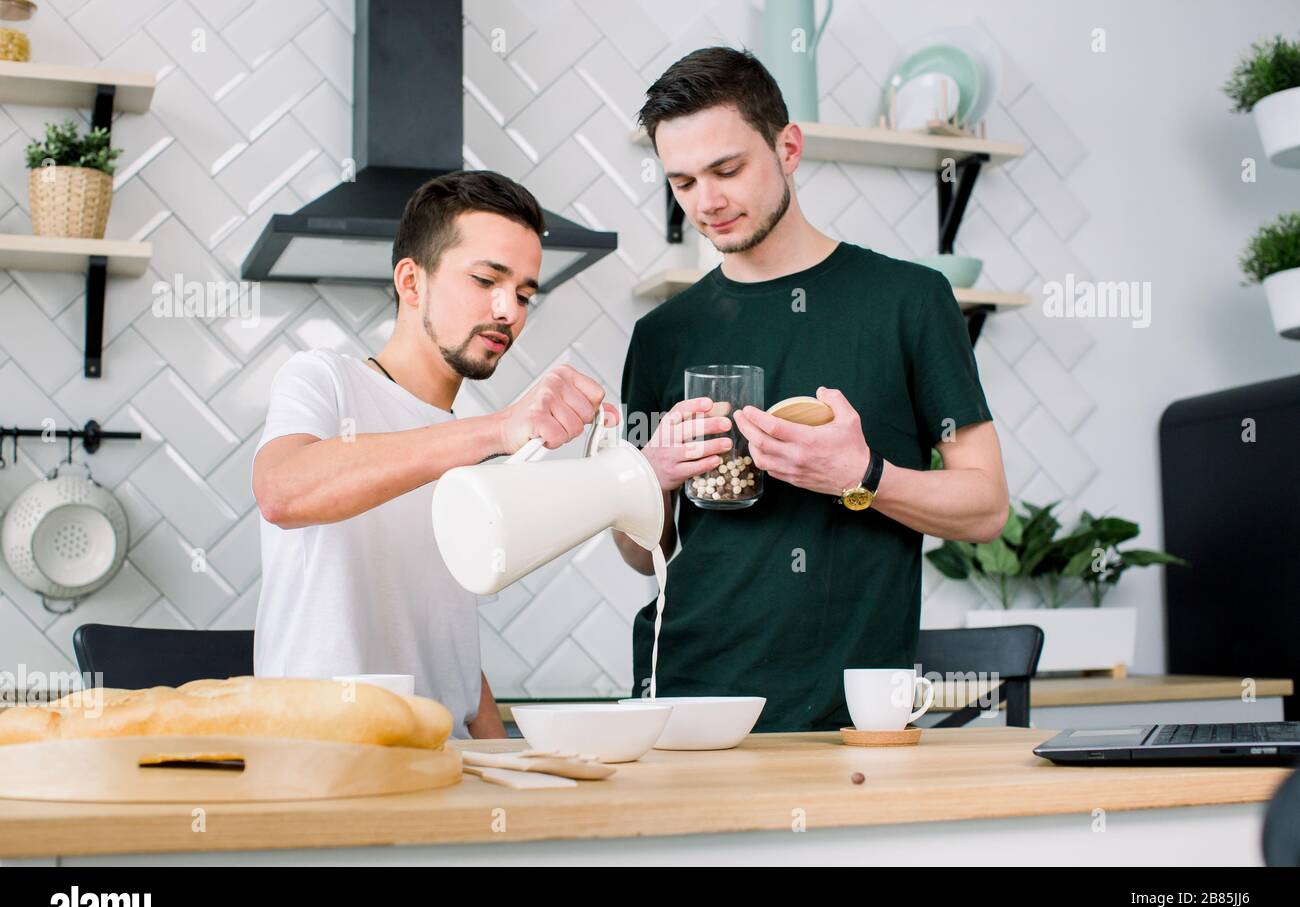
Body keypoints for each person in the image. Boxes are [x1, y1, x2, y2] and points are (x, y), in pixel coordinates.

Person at [615, 48, 1010, 732]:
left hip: (848, 709)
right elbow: (641, 554)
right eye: (682, 182)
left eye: (727, 170)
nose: (707, 202)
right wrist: (649, 479)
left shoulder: (909, 301)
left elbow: (986, 508)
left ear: (788, 148)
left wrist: (864, 475)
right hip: (683, 696)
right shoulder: (662, 334)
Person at [252, 170, 609, 739]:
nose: (509, 311)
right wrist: (496, 429)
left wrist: (508, 763)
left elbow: (448, 650)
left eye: (523, 295)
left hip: (447, 760)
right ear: (411, 282)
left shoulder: (465, 443)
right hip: (323, 758)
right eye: (486, 280)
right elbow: (282, 492)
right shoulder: (324, 379)